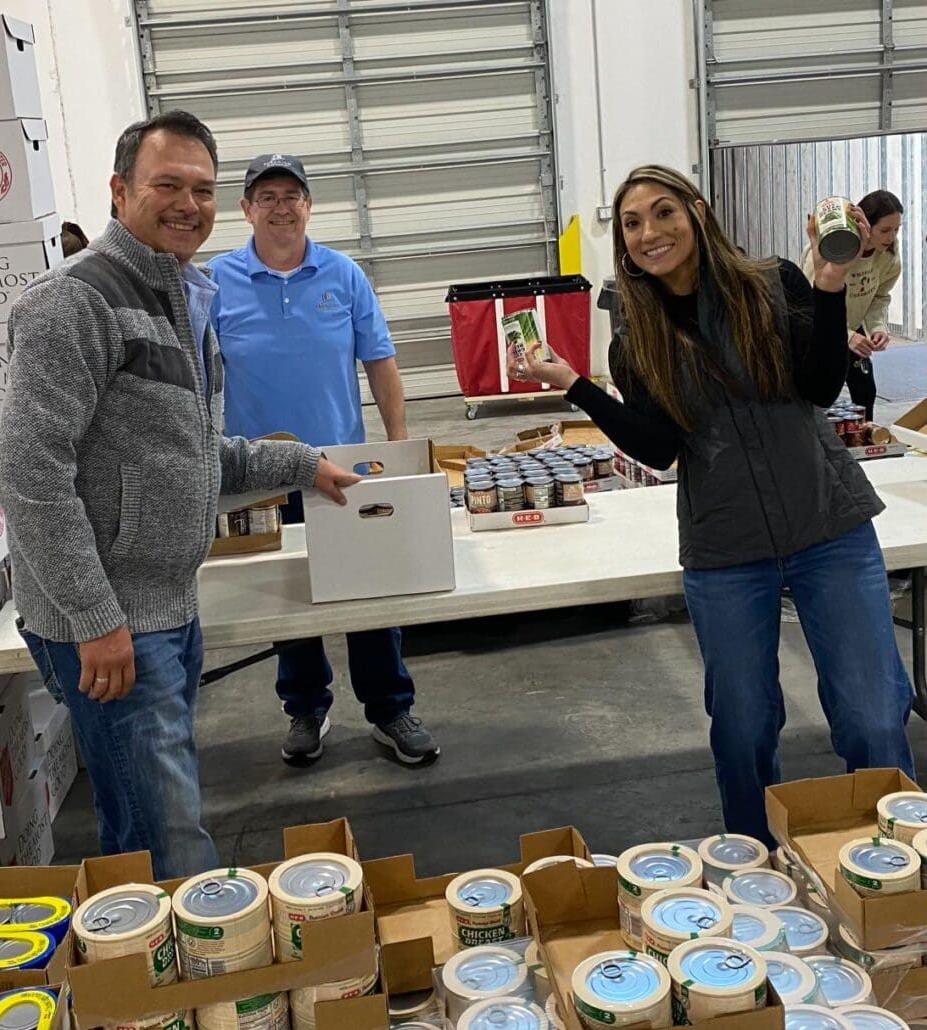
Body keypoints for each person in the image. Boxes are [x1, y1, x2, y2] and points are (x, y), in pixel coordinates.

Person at [0, 112, 360, 878]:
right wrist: (96, 619)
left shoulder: (178, 296)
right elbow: (30, 474)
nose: (189, 204)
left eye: (202, 189)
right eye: (167, 185)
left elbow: (196, 454)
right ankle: (196, 949)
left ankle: (152, 941)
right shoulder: (74, 302)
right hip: (113, 621)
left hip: (167, 607)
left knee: (147, 818)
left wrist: (305, 465)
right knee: (168, 840)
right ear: (119, 190)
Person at [515, 164, 914, 848]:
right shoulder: (636, 337)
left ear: (697, 212)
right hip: (726, 547)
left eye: (663, 212)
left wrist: (827, 285)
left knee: (873, 715)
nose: (649, 232)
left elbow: (820, 387)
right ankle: (754, 867)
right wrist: (576, 385)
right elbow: (660, 447)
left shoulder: (773, 282)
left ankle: (895, 869)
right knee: (743, 727)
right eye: (633, 223)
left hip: (827, 524)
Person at [208, 153, 439, 768]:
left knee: (371, 587)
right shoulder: (215, 281)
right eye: (267, 196)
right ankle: (306, 708)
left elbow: (380, 360)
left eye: (292, 195)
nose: (280, 207)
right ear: (246, 209)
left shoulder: (344, 274)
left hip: (344, 466)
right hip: (260, 472)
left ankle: (389, 708)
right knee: (290, 594)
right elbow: (198, 376)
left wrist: (397, 446)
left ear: (308, 205)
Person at [801, 190, 903, 420]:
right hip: (817, 329)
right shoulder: (830, 250)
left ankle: (866, 435)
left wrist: (877, 327)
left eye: (897, 229)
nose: (892, 237)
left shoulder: (889, 256)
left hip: (851, 328)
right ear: (864, 225)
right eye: (885, 230)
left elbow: (879, 296)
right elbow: (808, 305)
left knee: (865, 391)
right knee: (819, 393)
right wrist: (846, 336)